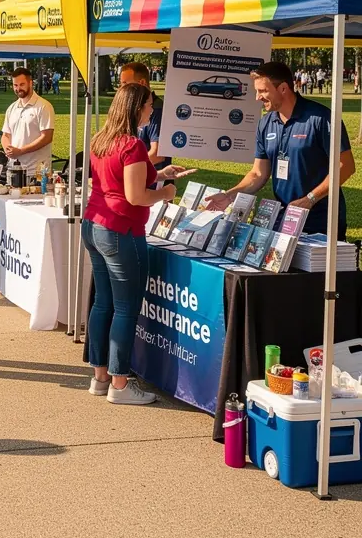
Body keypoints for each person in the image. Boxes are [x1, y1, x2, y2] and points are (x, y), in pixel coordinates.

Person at [82, 84, 176, 407]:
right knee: (125, 307)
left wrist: (159, 173)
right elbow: (136, 195)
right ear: (137, 108)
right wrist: (165, 192)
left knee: (103, 303)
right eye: (149, 104)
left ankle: (101, 375)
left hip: (94, 225)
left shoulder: (101, 140)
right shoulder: (133, 145)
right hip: (121, 230)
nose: (152, 110)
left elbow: (118, 180)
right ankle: (120, 382)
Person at [205, 61, 356, 237]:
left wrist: (310, 199)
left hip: (321, 223)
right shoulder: (266, 123)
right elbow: (258, 174)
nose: (257, 97)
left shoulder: (321, 119)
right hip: (284, 221)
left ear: (283, 88)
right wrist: (229, 195)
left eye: (263, 91)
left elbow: (345, 166)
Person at [1, 68, 55, 177]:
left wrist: (20, 151)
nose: (18, 88)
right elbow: (5, 135)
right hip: (14, 170)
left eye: (22, 84)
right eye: (15, 85)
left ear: (30, 83)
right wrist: (8, 150)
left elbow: (47, 137)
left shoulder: (44, 106)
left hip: (37, 173)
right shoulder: (12, 108)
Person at [119, 61, 171, 169]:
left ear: (142, 82)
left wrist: (128, 171)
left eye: (125, 84)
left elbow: (157, 155)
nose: (121, 89)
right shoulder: (131, 109)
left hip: (153, 181)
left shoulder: (157, 110)